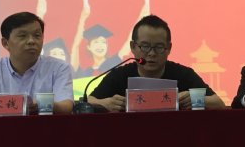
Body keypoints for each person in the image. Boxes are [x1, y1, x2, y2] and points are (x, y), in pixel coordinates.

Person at [88, 15, 225, 111]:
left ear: (169, 48)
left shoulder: (183, 74)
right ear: (133, 47)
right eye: (145, 46)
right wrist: (105, 103)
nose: (152, 53)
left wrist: (196, 100)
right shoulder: (119, 75)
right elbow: (88, 101)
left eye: (159, 47)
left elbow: (219, 104)